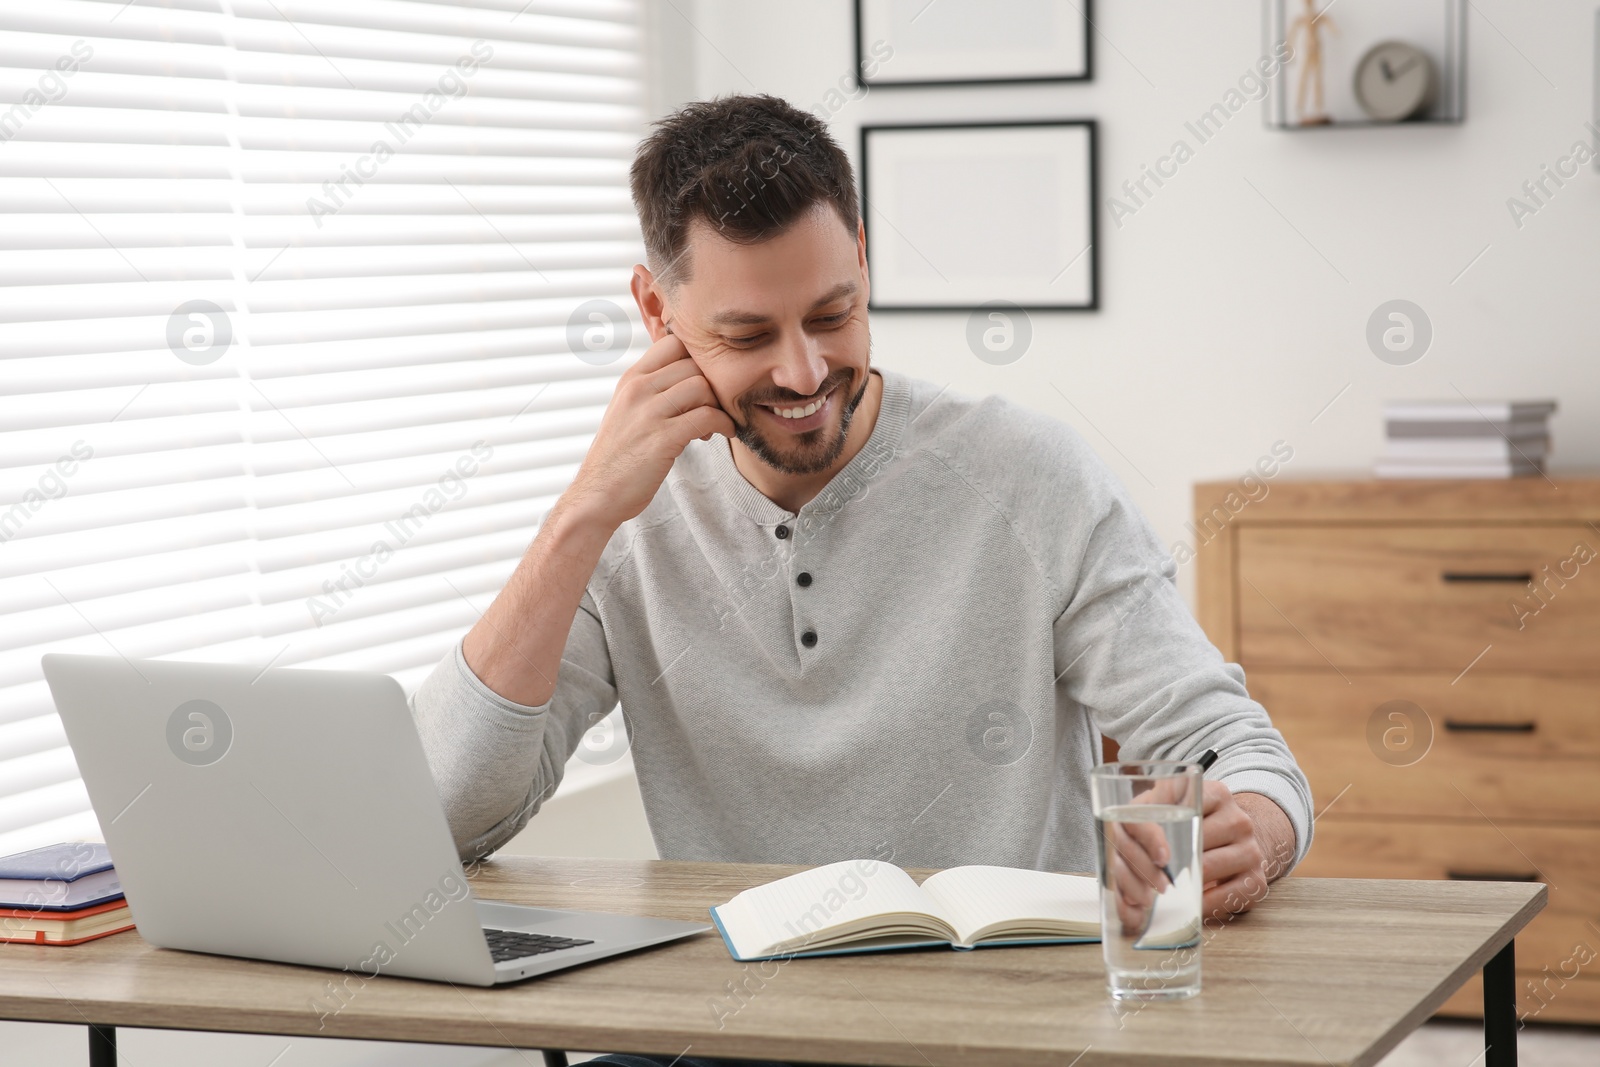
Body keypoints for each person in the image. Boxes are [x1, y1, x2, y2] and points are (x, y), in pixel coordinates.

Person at [410, 94, 1312, 1066]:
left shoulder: (1030, 477)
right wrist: (581, 516)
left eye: (833, 314)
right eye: (748, 335)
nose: (804, 372)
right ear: (654, 312)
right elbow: (443, 818)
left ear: (865, 263)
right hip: (734, 1031)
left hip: (1005, 1033)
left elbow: (1235, 750)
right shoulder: (627, 518)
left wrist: (1252, 833)